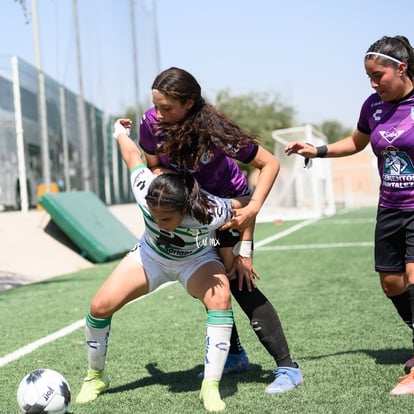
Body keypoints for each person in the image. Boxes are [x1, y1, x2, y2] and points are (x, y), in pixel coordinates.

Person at [139, 67, 303, 393]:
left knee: (238, 280)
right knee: (213, 284)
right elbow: (154, 163)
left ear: (189, 103)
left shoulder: (213, 130)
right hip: (193, 213)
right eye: (156, 105)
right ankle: (235, 355)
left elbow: (268, 163)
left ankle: (288, 367)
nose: (159, 114)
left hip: (230, 208)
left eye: (167, 108)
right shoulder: (150, 123)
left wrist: (248, 231)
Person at [75, 119, 253, 412]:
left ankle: (210, 386)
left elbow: (243, 205)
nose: (160, 224)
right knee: (99, 307)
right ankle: (95, 377)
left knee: (221, 298)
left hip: (197, 259)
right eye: (154, 218)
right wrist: (120, 132)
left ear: (185, 209)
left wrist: (246, 240)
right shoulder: (146, 190)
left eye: (167, 220)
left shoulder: (209, 211)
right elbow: (133, 157)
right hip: (150, 257)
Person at [285, 35, 414, 395]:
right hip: (389, 206)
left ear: (401, 69)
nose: (374, 84)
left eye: (378, 76)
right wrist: (318, 150)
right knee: (391, 283)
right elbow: (357, 142)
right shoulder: (373, 106)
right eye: (369, 78)